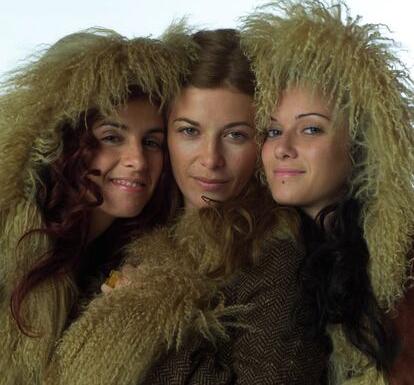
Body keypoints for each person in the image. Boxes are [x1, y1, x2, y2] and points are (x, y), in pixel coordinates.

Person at [46, 29, 326, 385]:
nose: (210, 159)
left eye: (235, 135)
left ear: (261, 141)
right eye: (190, 132)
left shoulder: (277, 254)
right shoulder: (136, 226)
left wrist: (148, 329)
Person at [0, 27, 191, 384]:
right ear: (65, 142)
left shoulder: (141, 257)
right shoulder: (12, 249)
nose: (137, 159)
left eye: (152, 142)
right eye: (112, 137)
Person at [241, 0, 414, 384]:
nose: (282, 148)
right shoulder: (254, 250)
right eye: (272, 130)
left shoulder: (402, 259)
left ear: (359, 144)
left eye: (311, 129)